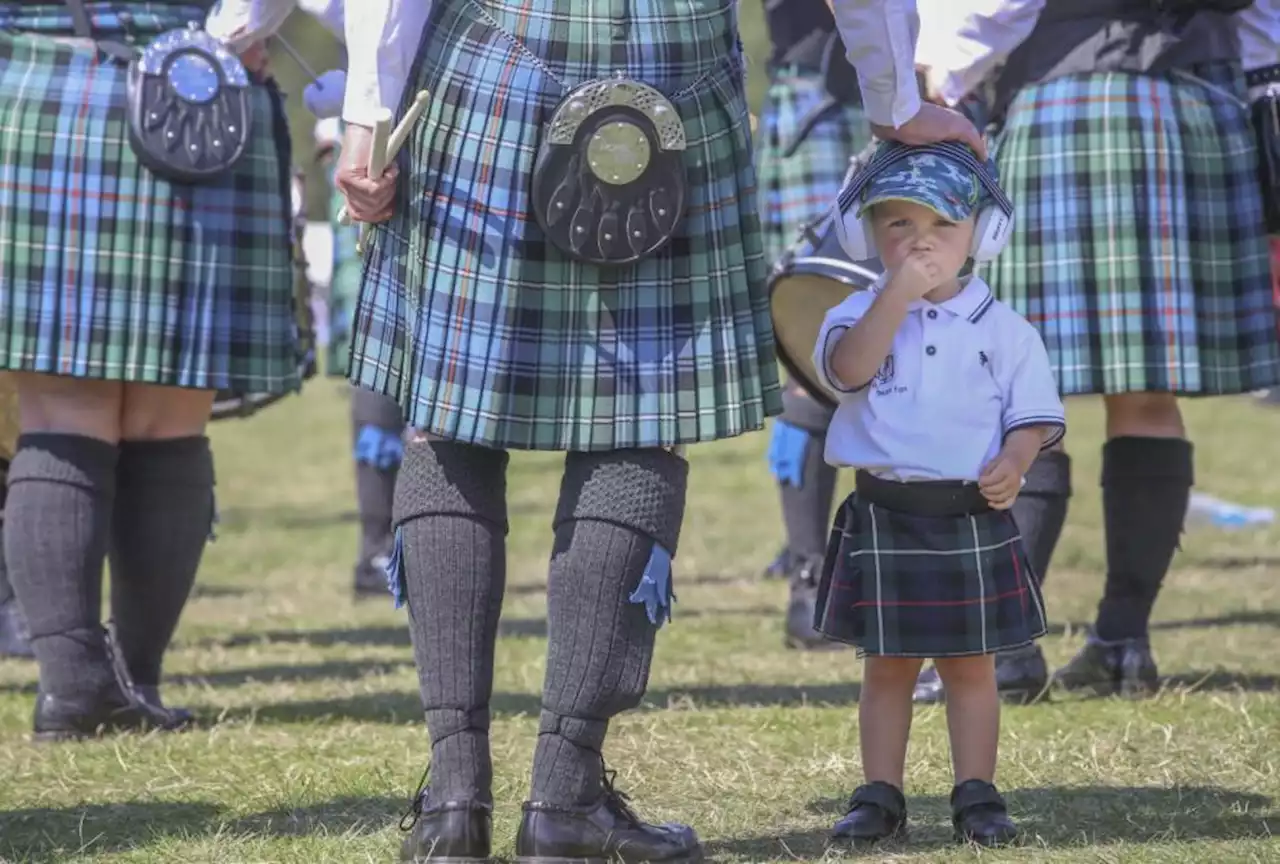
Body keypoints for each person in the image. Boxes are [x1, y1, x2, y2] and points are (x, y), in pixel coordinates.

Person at [335, 0, 986, 859]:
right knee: (636, 424)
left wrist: (368, 112)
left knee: (448, 421)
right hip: (672, 67)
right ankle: (564, 801)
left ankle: (455, 802)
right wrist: (895, 96)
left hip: (491, 59)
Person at [914, 0, 1280, 699]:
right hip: (1197, 114)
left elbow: (995, 7)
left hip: (1069, 108)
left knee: (1020, 390)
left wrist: (943, 80)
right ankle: (1122, 642)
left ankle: (1004, 650)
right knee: (1147, 394)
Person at [0, 0, 299, 739]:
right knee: (168, 414)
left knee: (59, 410)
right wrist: (233, 37)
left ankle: (75, 689)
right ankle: (132, 679)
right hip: (192, 88)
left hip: (33, 83)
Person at [812, 143, 1064, 847]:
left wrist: (1015, 461)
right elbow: (849, 371)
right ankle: (879, 795)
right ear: (866, 234)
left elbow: (1034, 417)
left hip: (966, 517)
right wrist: (895, 295)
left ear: (981, 235)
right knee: (886, 668)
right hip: (885, 514)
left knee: (969, 668)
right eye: (898, 225)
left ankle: (977, 794)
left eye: (943, 225)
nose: (920, 241)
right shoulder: (852, 313)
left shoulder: (1004, 329)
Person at [755, 0, 873, 651]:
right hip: (833, 104)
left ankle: (845, 575)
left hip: (857, 98)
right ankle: (810, 583)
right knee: (817, 353)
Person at [314, 117, 408, 599]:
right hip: (367, 325)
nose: (335, 163)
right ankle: (377, 554)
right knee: (378, 442)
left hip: (393, 313)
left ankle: (397, 554)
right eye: (329, 153)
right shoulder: (342, 196)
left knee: (404, 445)